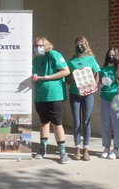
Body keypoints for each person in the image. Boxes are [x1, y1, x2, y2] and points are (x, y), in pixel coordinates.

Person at [32, 36, 70, 164]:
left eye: (40, 45)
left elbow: (66, 71)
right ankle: (42, 149)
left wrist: (48, 77)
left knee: (57, 124)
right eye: (36, 46)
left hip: (55, 96)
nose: (38, 48)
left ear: (46, 45)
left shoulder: (53, 54)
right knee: (43, 123)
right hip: (40, 96)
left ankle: (62, 152)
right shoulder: (35, 60)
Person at [67, 36, 100, 161]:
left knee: (86, 121)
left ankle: (86, 148)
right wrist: (72, 79)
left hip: (88, 95)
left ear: (86, 45)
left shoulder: (91, 59)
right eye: (77, 44)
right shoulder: (71, 61)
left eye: (82, 44)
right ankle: (77, 148)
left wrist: (94, 86)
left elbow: (97, 74)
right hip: (75, 94)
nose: (79, 46)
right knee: (76, 121)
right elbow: (67, 80)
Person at [99, 47, 119, 159]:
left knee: (117, 124)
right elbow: (99, 83)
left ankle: (116, 148)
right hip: (104, 98)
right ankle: (106, 147)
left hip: (116, 99)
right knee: (105, 123)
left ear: (117, 57)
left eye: (113, 55)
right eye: (109, 54)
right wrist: (100, 84)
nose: (111, 57)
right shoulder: (102, 69)